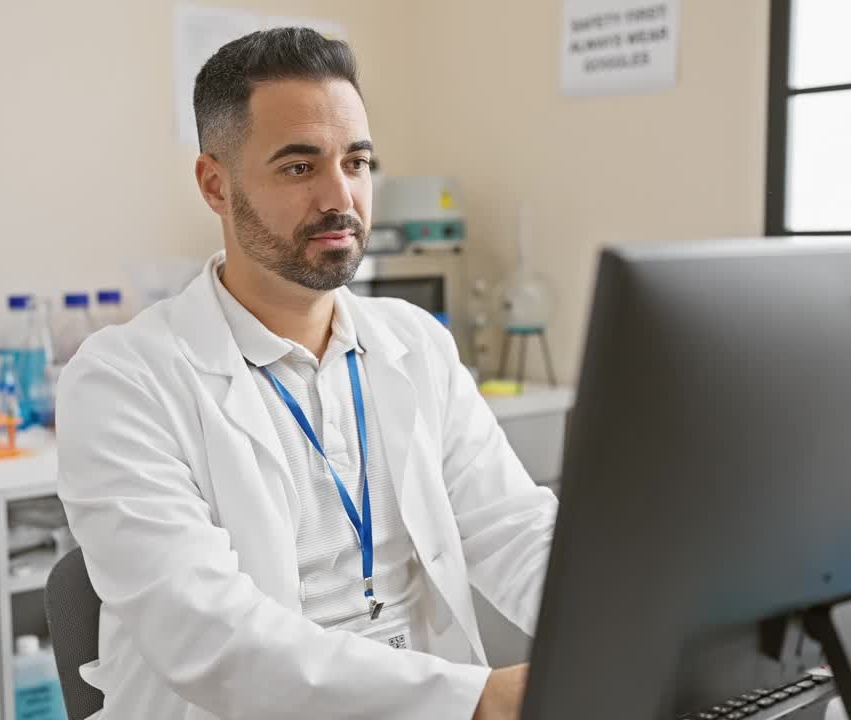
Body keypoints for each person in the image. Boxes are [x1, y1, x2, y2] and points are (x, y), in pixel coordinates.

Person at [56, 27, 558, 720]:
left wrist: (634, 631)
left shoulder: (415, 344)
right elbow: (213, 640)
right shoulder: (122, 381)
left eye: (356, 163)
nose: (340, 198)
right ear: (215, 184)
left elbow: (512, 527)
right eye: (299, 167)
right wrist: (476, 699)